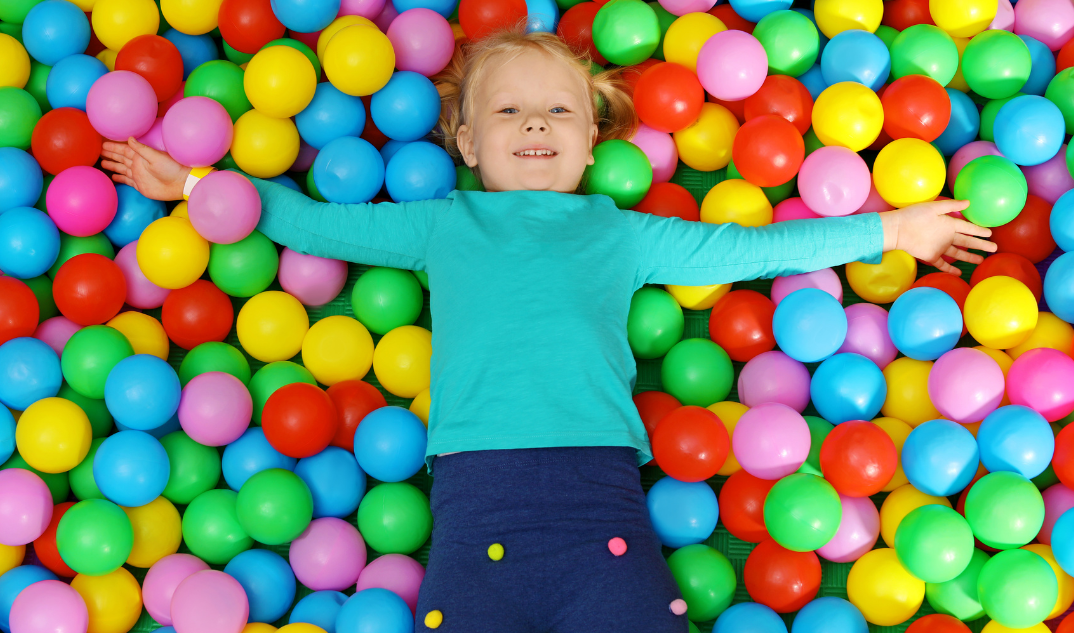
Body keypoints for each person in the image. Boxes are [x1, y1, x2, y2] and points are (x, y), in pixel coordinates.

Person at [102, 28, 994, 633]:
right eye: (508, 111)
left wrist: (893, 228)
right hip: (476, 494)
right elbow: (316, 224)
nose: (535, 121)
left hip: (597, 493)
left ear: (592, 139)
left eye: (560, 111)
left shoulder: (618, 231)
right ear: (465, 145)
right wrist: (192, 187)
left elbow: (748, 249)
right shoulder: (443, 224)